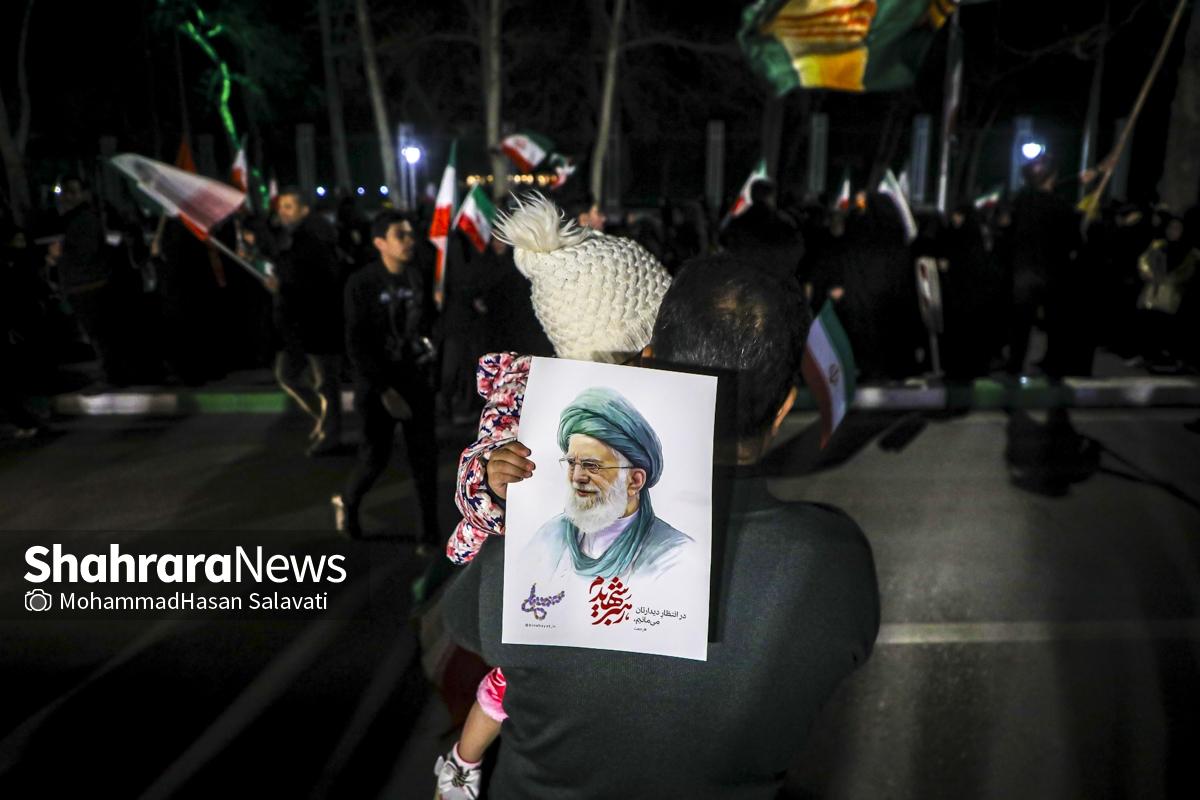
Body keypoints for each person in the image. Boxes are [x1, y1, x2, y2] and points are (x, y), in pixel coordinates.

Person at [438, 254, 879, 798]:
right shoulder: (834, 563)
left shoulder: (536, 540)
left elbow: (463, 622)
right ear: (785, 407)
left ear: (647, 363)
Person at [433, 192, 673, 798]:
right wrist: (494, 478)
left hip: (638, 583)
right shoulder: (530, 397)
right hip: (552, 586)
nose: (650, 356)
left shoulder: (676, 392)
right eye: (640, 345)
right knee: (514, 685)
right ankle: (460, 765)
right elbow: (473, 480)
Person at [333, 211, 440, 545]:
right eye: (400, 235)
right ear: (380, 242)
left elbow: (426, 322)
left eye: (410, 234)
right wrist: (384, 390)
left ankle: (429, 534)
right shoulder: (361, 283)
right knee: (374, 458)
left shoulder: (417, 276)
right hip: (377, 386)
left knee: (424, 459)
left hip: (414, 380)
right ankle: (348, 502)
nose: (409, 241)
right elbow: (356, 343)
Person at [524, 386, 693, 584]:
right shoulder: (549, 537)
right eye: (571, 463)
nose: (577, 477)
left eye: (592, 465)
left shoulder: (673, 555)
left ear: (635, 481)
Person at [256, 187, 346, 455]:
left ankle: (331, 433)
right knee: (288, 374)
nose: (282, 212)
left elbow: (318, 282)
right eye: (281, 207)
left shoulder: (315, 238)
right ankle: (326, 420)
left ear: (304, 210)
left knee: (324, 381)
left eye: (289, 207)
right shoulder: (291, 238)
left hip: (318, 321)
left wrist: (283, 286)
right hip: (295, 324)